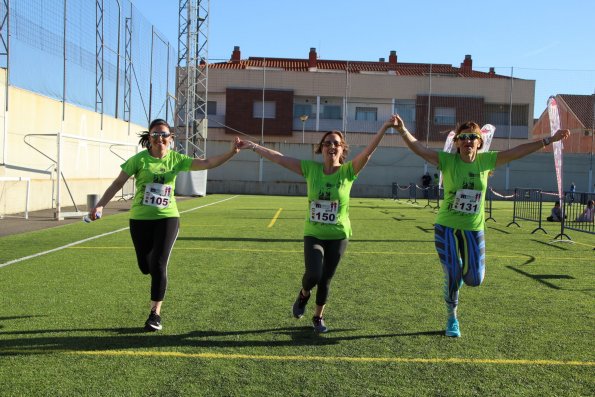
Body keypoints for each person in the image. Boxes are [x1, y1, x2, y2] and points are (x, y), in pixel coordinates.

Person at [393, 115, 570, 337]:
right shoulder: (447, 161)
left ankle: (461, 268)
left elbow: (517, 151)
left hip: (473, 228)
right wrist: (402, 130)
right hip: (446, 225)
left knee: (474, 280)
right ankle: (452, 318)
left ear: (479, 142)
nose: (468, 140)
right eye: (464, 137)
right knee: (453, 275)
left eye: (473, 137)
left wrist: (549, 140)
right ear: (457, 142)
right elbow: (419, 148)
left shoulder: (486, 161)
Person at [237, 118, 395, 333]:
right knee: (313, 274)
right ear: (320, 148)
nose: (331, 146)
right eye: (327, 143)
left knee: (326, 279)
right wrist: (254, 146)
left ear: (342, 150)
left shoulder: (348, 172)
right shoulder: (310, 169)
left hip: (339, 235)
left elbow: (368, 152)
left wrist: (385, 128)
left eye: (336, 143)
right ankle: (303, 295)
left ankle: (318, 317)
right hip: (314, 233)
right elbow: (279, 158)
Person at [87, 118, 241, 332]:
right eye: (155, 135)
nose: (160, 138)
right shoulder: (139, 160)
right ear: (149, 138)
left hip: (167, 218)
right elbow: (117, 183)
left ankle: (155, 314)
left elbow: (206, 163)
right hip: (140, 219)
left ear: (171, 138)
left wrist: (231, 152)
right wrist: (101, 205)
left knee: (159, 263)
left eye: (164, 135)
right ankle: (150, 269)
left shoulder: (176, 159)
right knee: (145, 266)